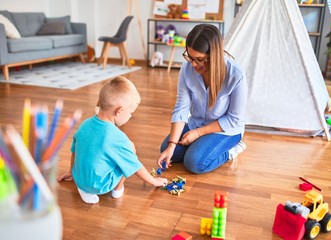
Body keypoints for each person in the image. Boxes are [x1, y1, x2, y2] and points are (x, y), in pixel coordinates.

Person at [58, 76, 168, 204]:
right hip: (101, 186)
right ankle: (117, 189)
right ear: (119, 111)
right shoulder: (118, 137)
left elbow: (74, 150)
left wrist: (71, 172)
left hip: (80, 180)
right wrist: (154, 181)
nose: (130, 116)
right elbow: (134, 165)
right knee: (130, 147)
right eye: (130, 112)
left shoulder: (85, 124)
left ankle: (85, 191)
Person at [157, 24, 248, 174]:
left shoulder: (236, 75)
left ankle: (231, 151)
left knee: (194, 163)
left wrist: (198, 133)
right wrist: (172, 145)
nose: (193, 64)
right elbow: (181, 107)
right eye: (190, 57)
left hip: (226, 129)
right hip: (197, 123)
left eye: (199, 59)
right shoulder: (187, 69)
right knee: (167, 149)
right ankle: (200, 146)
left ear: (214, 55)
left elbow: (233, 119)